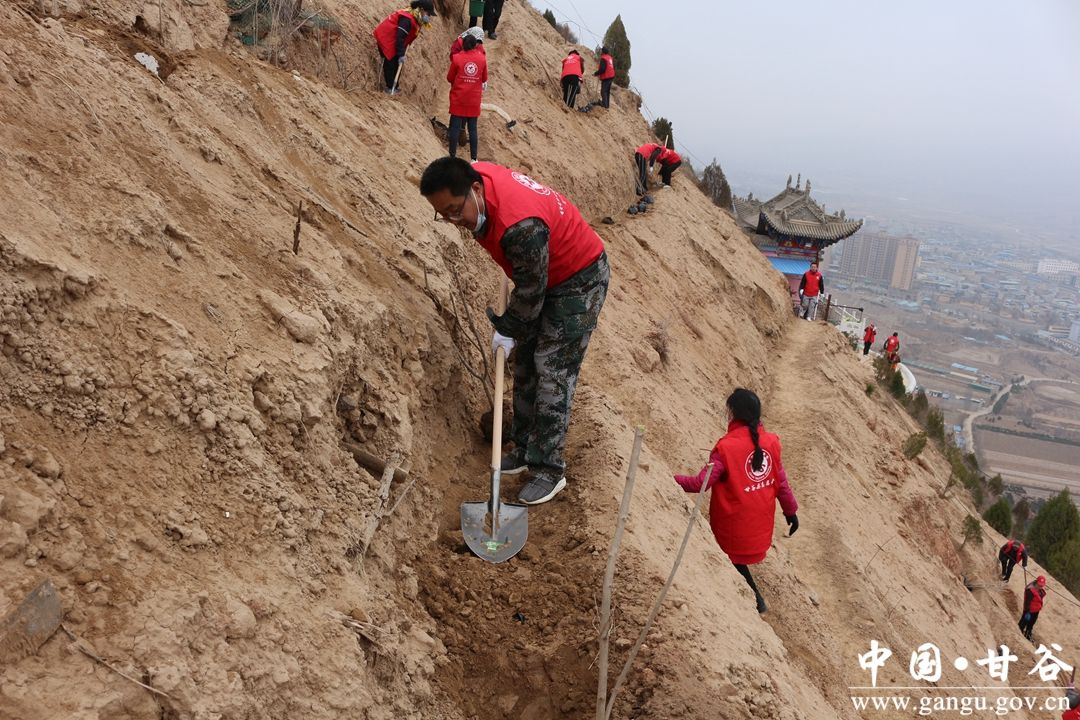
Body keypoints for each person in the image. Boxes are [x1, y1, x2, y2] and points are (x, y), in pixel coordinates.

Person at [420, 158, 609, 505]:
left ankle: (548, 469)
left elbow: (532, 291)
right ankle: (524, 448)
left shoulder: (521, 227)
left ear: (476, 189)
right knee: (524, 362)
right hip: (545, 273)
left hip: (579, 279)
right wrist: (514, 330)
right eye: (443, 215)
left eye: (455, 211)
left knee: (552, 368)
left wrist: (508, 327)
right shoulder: (476, 178)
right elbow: (530, 284)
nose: (453, 221)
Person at [673, 388, 799, 614]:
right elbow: (781, 482)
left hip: (732, 529)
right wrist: (791, 512)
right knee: (735, 559)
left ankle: (756, 600)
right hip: (760, 528)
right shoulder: (771, 442)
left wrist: (668, 477)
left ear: (733, 413)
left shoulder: (726, 448)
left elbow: (700, 484)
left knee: (730, 558)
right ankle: (755, 599)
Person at [373, 0, 436, 94]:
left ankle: (395, 87)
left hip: (395, 39)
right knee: (391, 62)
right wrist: (401, 54)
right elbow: (400, 37)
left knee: (397, 63)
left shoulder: (416, 18)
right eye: (428, 14)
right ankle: (390, 88)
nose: (429, 16)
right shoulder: (407, 19)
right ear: (422, 9)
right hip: (386, 38)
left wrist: (401, 53)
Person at [446, 34, 487, 162]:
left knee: (455, 128)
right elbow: (484, 78)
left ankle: (452, 156)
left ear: (463, 45)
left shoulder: (457, 58)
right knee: (473, 129)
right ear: (475, 45)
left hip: (459, 98)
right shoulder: (482, 59)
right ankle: (474, 158)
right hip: (473, 99)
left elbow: (449, 78)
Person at [1018, 575, 1046, 640]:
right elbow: (1027, 602)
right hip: (1029, 611)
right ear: (1036, 582)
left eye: (1042, 585)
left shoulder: (1040, 591)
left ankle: (1028, 635)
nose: (1040, 587)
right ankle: (1019, 633)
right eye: (1039, 585)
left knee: (1031, 624)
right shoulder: (1030, 591)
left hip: (1036, 611)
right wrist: (1027, 612)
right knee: (1023, 623)